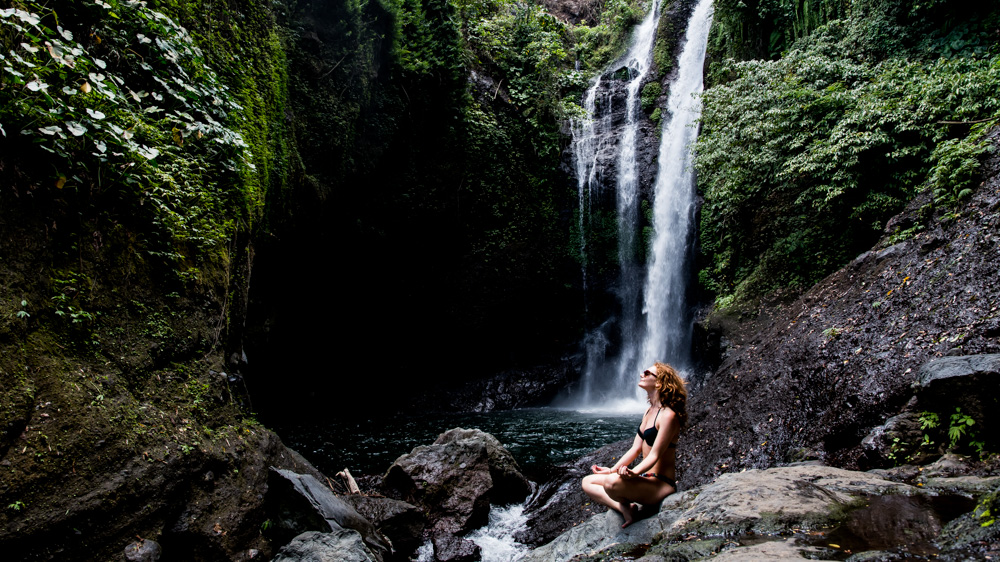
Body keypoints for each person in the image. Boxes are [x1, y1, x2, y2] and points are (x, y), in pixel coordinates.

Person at [581, 362, 687, 528]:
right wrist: (612, 469)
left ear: (659, 382)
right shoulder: (649, 411)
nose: (641, 375)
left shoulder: (668, 415)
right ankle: (624, 508)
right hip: (644, 480)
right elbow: (635, 448)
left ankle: (628, 504)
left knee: (611, 483)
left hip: (660, 484)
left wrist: (634, 472)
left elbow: (655, 454)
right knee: (587, 482)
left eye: (647, 373)